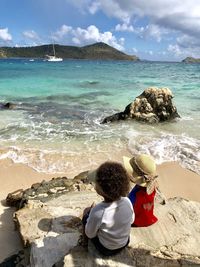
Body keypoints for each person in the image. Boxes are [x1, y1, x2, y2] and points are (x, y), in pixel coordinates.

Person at [82, 161, 134, 256]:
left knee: (86, 214)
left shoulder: (99, 211)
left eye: (96, 183)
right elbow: (131, 220)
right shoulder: (127, 201)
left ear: (101, 191)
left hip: (106, 249)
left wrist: (92, 213)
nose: (94, 185)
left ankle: (84, 244)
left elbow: (90, 234)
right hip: (125, 242)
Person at [123, 154, 159, 227]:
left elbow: (125, 212)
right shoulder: (151, 188)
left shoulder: (134, 197)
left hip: (135, 220)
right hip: (147, 217)